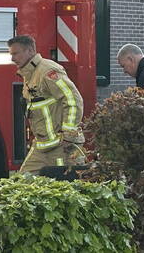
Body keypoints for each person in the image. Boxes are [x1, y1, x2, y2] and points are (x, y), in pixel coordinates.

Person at [8, 35, 86, 174]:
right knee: (21, 183)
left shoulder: (48, 71)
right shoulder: (29, 74)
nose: (12, 58)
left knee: (63, 188)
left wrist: (69, 134)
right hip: (42, 146)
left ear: (30, 51)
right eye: (11, 54)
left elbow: (73, 99)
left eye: (15, 53)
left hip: (61, 146)